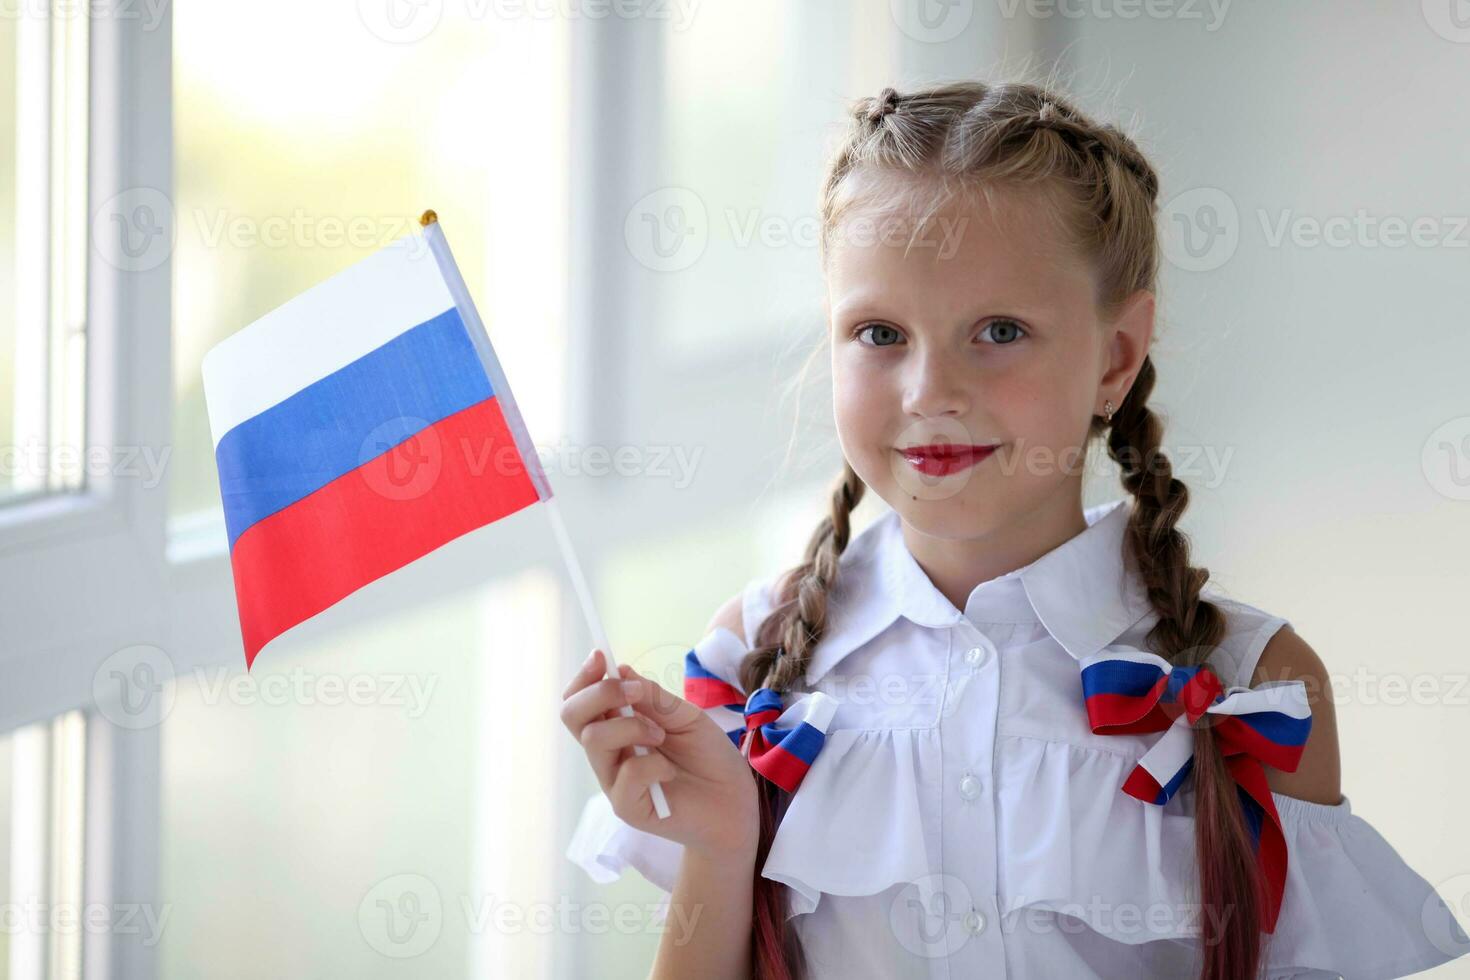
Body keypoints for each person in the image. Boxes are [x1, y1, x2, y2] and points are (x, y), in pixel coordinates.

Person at [559, 79, 1470, 979]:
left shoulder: (1255, 687)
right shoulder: (749, 661)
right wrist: (721, 847)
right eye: (879, 333)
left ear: (1115, 357)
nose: (929, 394)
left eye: (998, 330)